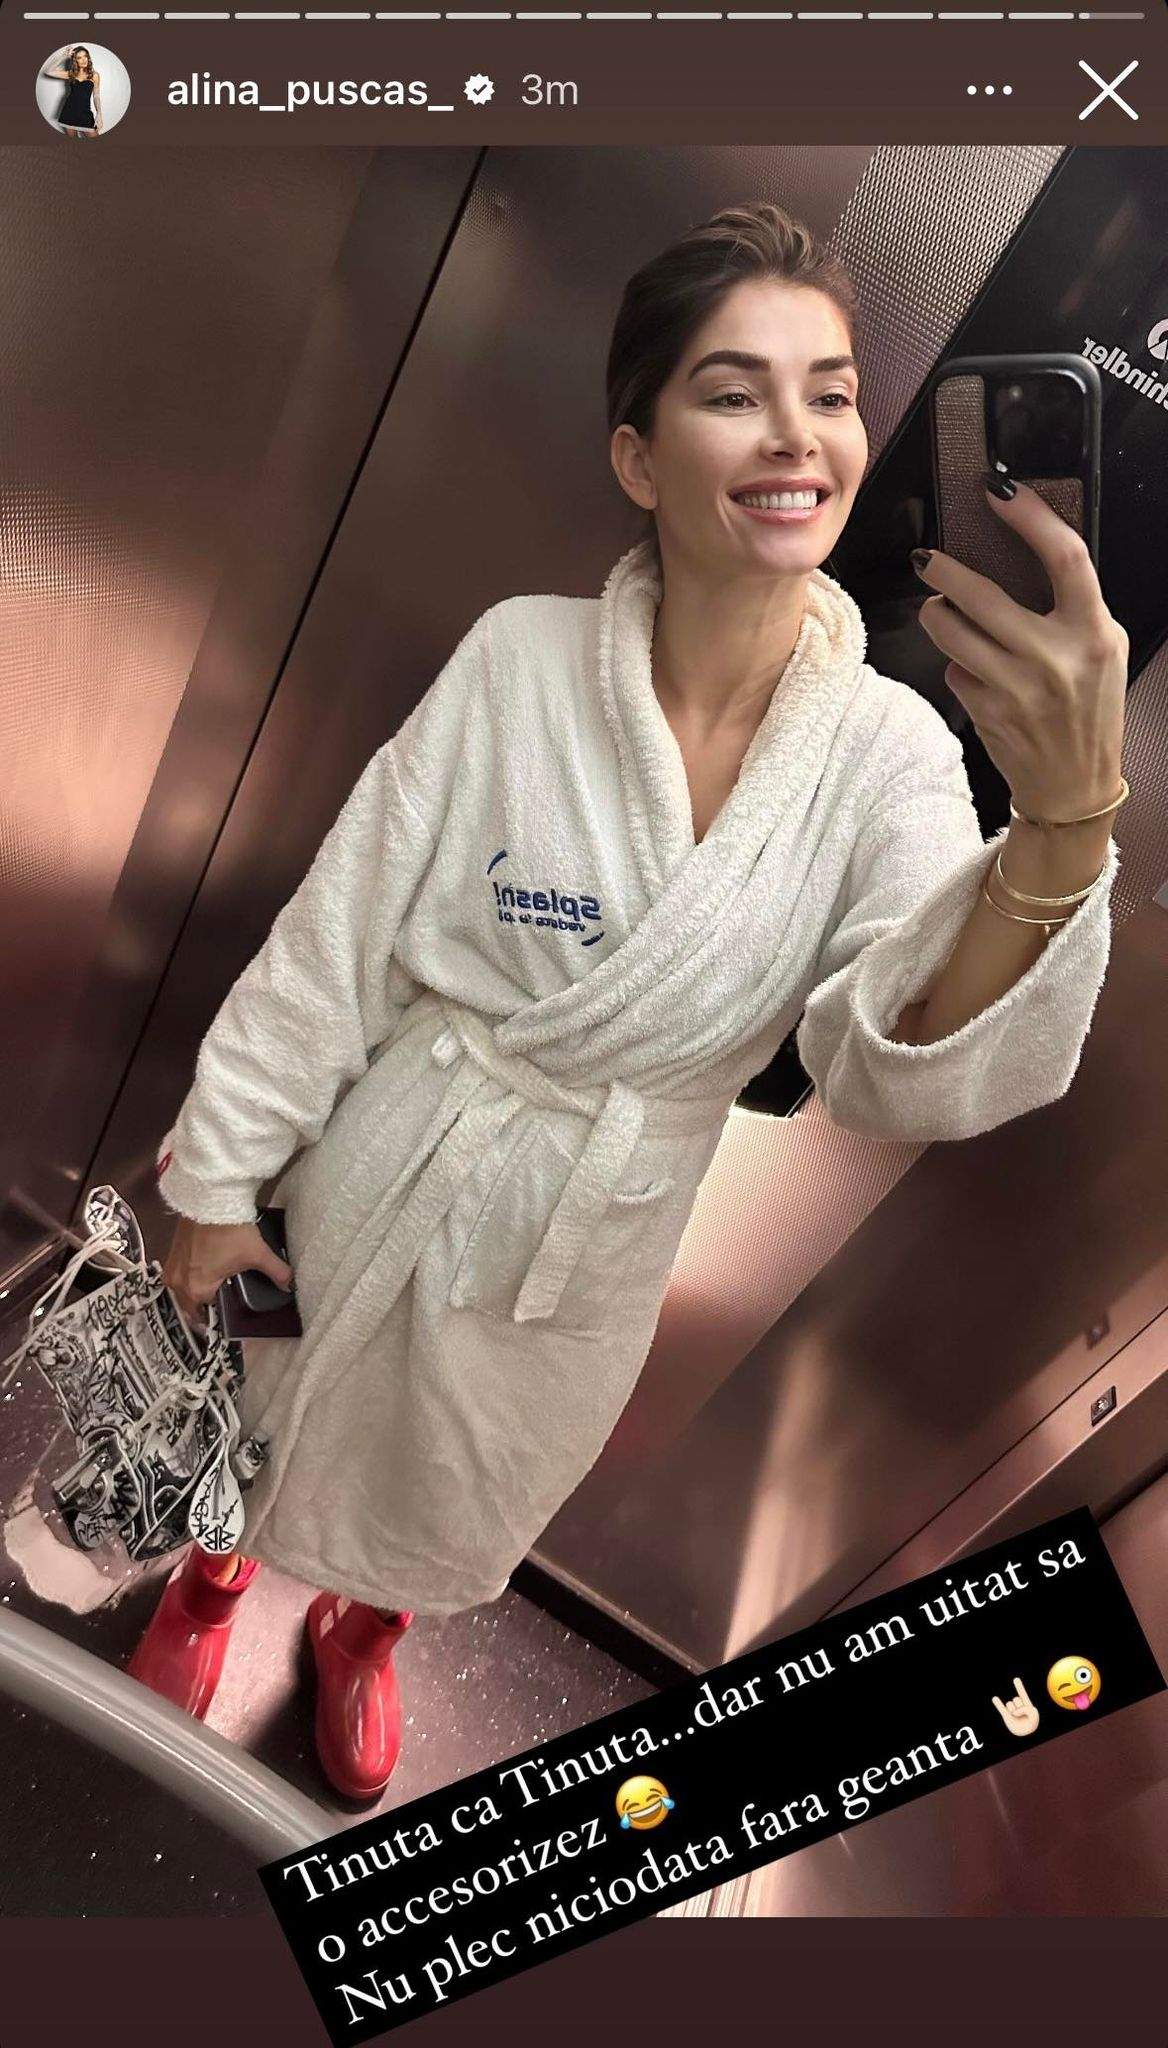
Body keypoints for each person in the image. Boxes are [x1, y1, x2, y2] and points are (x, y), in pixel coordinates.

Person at [130, 201, 1129, 1802]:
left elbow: (895, 1064)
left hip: (589, 1231)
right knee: (265, 1392)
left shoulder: (885, 755)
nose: (797, 434)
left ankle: (366, 1627)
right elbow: (341, 936)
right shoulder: (519, 661)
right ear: (638, 457)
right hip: (379, 1156)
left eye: (830, 392)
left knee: (467, 1473)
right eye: (734, 392)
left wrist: (1065, 826)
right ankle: (211, 1575)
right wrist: (215, 1176)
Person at [45, 47, 103, 137]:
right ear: (75, 61)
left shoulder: (94, 75)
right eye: (79, 58)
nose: (83, 60)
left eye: (85, 56)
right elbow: (48, 71)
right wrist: (64, 56)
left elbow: (96, 96)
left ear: (88, 57)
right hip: (68, 113)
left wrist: (99, 113)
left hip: (85, 114)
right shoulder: (71, 74)